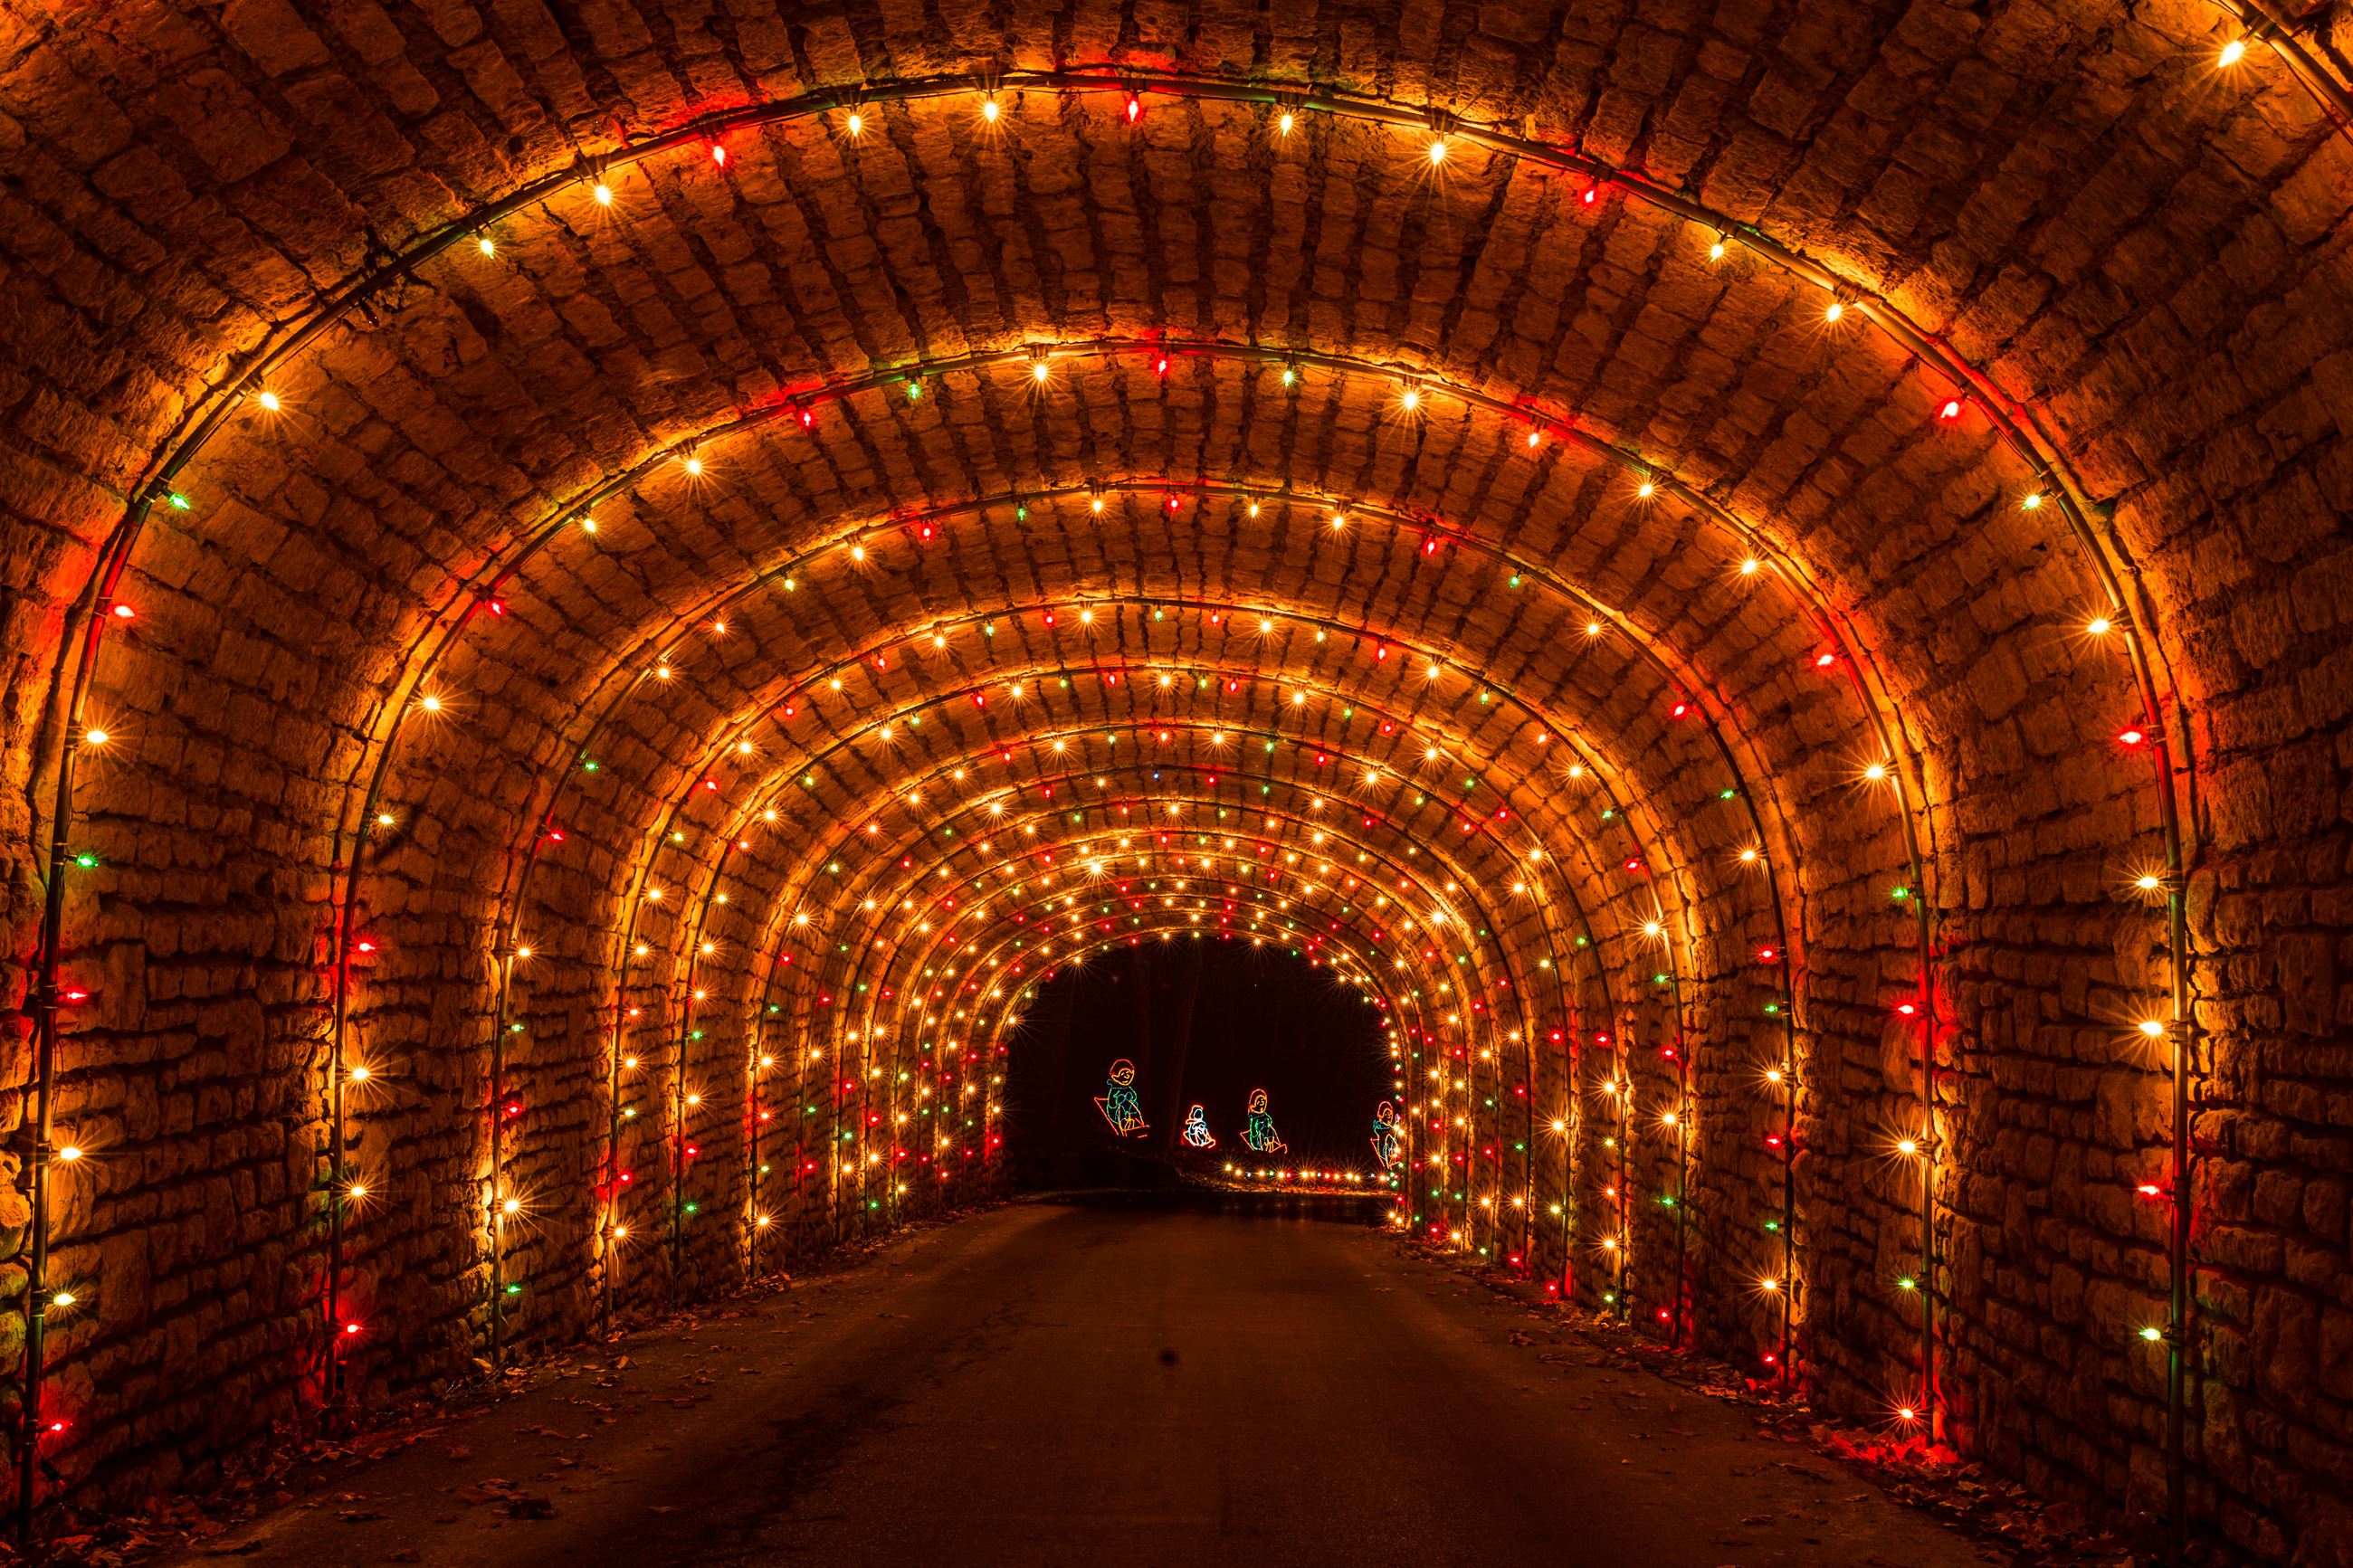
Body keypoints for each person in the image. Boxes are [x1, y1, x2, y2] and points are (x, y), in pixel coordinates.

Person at [1094, 1058, 1148, 1136]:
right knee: (1122, 1105)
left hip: (1128, 1111)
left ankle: (1138, 1123)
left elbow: (1133, 1097)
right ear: (1115, 1076)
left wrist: (1131, 1097)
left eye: (1129, 1074)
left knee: (1131, 1105)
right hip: (1115, 1112)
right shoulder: (1114, 1090)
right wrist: (1118, 1100)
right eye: (1124, 1073)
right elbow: (1112, 1105)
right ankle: (1123, 1127)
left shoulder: (1128, 1088)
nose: (1127, 1076)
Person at [1240, 1088, 1286, 1154]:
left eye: (1263, 1101)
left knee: (1270, 1129)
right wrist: (1256, 1127)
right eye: (1259, 1100)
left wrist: (1267, 1124)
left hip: (1266, 1136)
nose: (1262, 1102)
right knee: (1260, 1128)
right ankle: (1262, 1147)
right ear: (1254, 1102)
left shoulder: (1265, 1115)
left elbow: (1269, 1121)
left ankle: (1272, 1145)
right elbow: (1252, 1127)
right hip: (1256, 1137)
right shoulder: (1252, 1116)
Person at [1370, 1099, 1401, 1172]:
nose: (1389, 1115)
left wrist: (1397, 1123)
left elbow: (1394, 1134)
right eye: (1387, 1113)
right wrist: (1395, 1126)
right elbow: (1382, 1131)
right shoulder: (1378, 1124)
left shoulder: (1390, 1127)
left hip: (1391, 1151)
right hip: (1383, 1148)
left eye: (1390, 1113)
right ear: (1382, 1114)